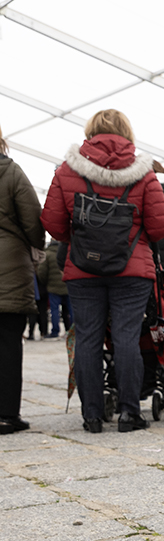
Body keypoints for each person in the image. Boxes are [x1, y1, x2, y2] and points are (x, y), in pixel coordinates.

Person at [41, 109, 164, 433]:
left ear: (91, 131)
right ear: (126, 132)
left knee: (87, 339)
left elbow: (54, 225)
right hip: (131, 270)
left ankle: (92, 416)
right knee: (127, 338)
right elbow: (161, 226)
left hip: (83, 270)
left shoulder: (66, 170)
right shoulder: (143, 172)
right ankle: (130, 413)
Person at [0, 127, 44, 434]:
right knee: (7, 344)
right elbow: (32, 218)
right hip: (10, 265)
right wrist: (35, 245)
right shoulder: (11, 171)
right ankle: (5, 415)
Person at [36, 239, 72, 338]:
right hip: (67, 286)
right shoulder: (68, 251)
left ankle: (55, 331)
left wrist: (46, 283)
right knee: (70, 310)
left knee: (54, 310)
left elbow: (42, 272)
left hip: (53, 288)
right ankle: (73, 331)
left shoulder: (47, 254)